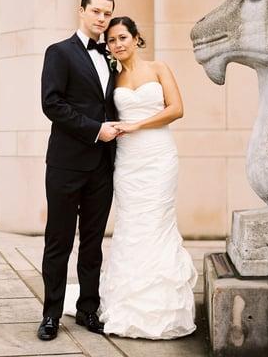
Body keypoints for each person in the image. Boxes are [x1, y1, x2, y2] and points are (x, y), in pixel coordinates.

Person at [64, 17, 198, 339]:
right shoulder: (112, 78)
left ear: (137, 38)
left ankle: (163, 306)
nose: (117, 44)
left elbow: (176, 108)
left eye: (122, 37)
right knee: (132, 226)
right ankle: (127, 304)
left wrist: (136, 126)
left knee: (158, 223)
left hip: (159, 157)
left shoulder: (159, 68)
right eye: (111, 41)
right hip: (128, 163)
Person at [38, 0, 119, 341]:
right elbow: (52, 104)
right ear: (81, 11)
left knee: (92, 242)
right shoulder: (59, 53)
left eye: (107, 13)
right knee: (58, 242)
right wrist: (95, 131)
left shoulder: (112, 55)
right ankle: (51, 315)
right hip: (66, 165)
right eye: (96, 12)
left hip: (102, 167)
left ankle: (88, 309)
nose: (102, 19)